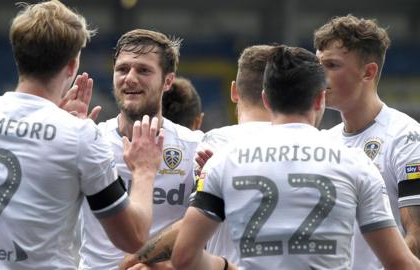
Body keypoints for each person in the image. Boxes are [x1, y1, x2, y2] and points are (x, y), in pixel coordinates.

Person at [0, 1, 164, 269]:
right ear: (71, 66)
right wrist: (144, 170)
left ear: (18, 55)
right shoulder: (80, 135)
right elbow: (134, 237)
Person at [171, 45, 420, 270]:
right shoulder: (357, 163)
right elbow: (400, 263)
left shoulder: (222, 162)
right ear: (320, 98)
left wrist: (227, 267)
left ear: (266, 99)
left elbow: (183, 256)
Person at [117, 45, 274, 270]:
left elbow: (191, 232)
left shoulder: (218, 143)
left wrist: (135, 259)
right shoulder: (319, 144)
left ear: (234, 92)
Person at [77, 29, 202, 270]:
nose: (130, 78)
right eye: (122, 69)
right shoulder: (91, 140)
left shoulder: (194, 146)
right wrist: (63, 135)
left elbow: (203, 225)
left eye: (143, 70)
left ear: (167, 81)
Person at [314, 14, 420, 269]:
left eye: (332, 65)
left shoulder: (406, 138)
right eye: (318, 65)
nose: (319, 76)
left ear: (368, 72)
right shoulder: (322, 142)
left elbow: (416, 239)